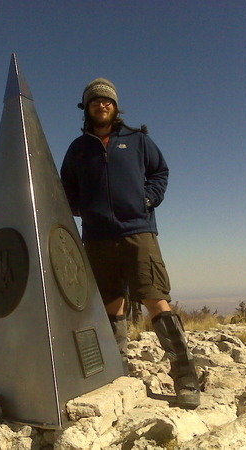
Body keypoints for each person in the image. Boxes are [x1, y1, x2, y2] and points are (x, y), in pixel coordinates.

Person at [60, 79, 200, 408]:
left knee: (155, 298)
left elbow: (159, 172)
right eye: (95, 101)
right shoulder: (78, 149)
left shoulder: (137, 140)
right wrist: (82, 210)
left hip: (138, 230)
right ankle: (117, 369)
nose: (101, 105)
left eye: (107, 100)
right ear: (87, 108)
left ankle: (185, 376)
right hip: (97, 236)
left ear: (115, 106)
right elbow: (65, 187)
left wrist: (147, 199)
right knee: (111, 304)